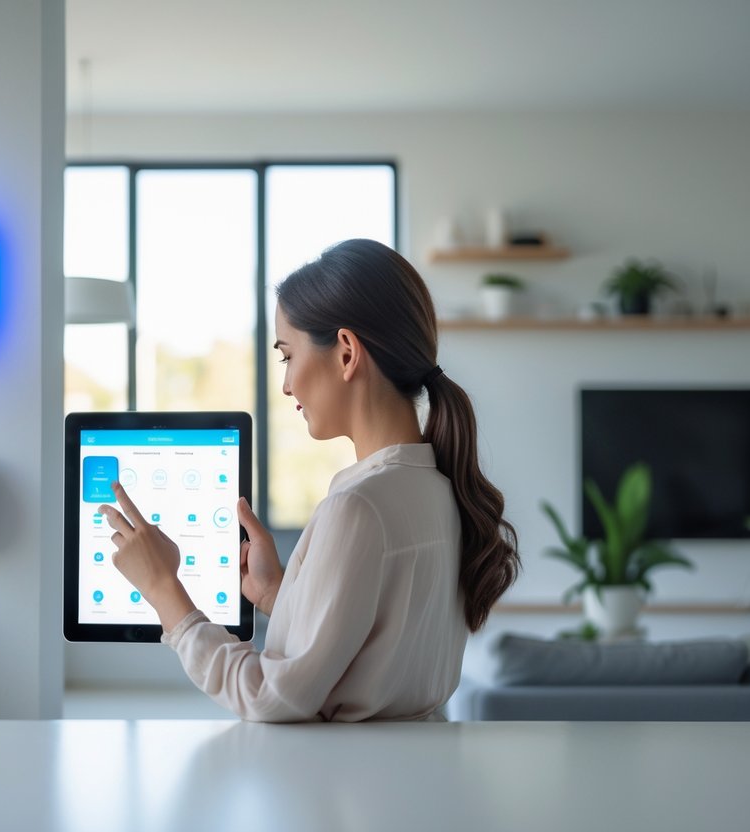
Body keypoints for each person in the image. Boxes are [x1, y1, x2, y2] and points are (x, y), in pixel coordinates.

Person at [99, 238, 520, 723]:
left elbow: (269, 698)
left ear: (345, 353)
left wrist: (163, 589)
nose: (285, 384)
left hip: (341, 788)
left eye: (287, 356)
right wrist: (280, 595)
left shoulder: (360, 506)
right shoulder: (439, 489)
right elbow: (369, 657)